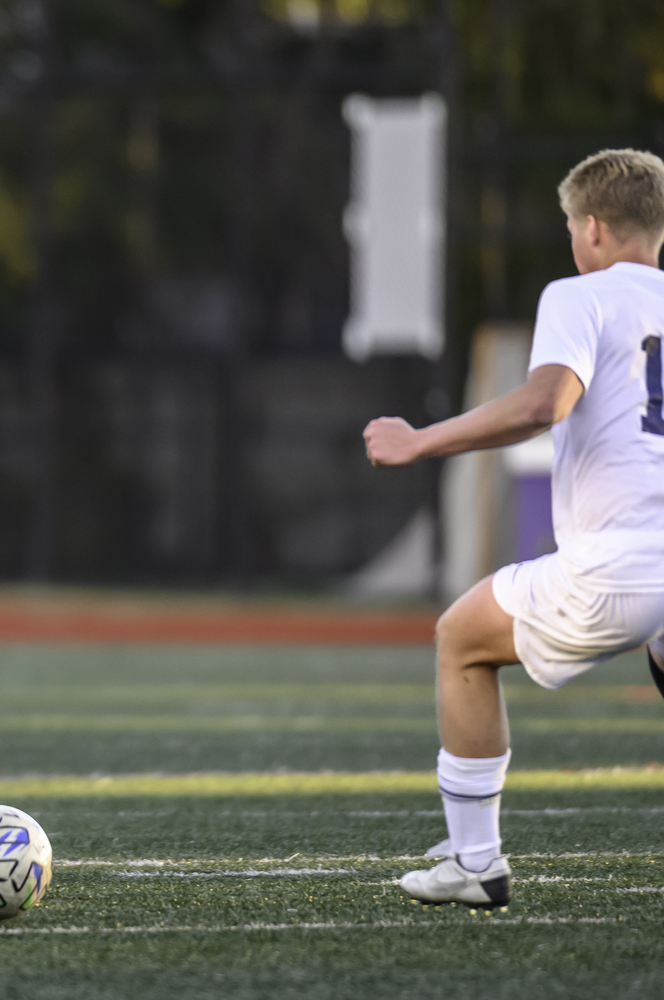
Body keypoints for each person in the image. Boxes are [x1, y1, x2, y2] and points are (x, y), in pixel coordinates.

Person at [363, 148, 664, 910]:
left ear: (593, 228)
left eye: (570, 224)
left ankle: (475, 860)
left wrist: (420, 440)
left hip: (616, 565)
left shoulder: (579, 294)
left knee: (462, 638)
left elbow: (543, 405)